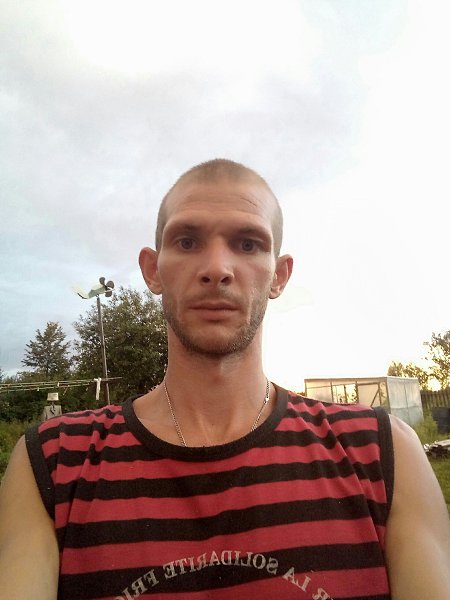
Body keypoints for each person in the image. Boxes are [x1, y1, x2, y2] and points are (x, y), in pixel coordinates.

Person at [0, 159, 449, 600]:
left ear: (279, 276)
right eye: (187, 241)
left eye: (248, 244)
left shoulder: (382, 453)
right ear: (153, 270)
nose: (217, 268)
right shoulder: (54, 464)